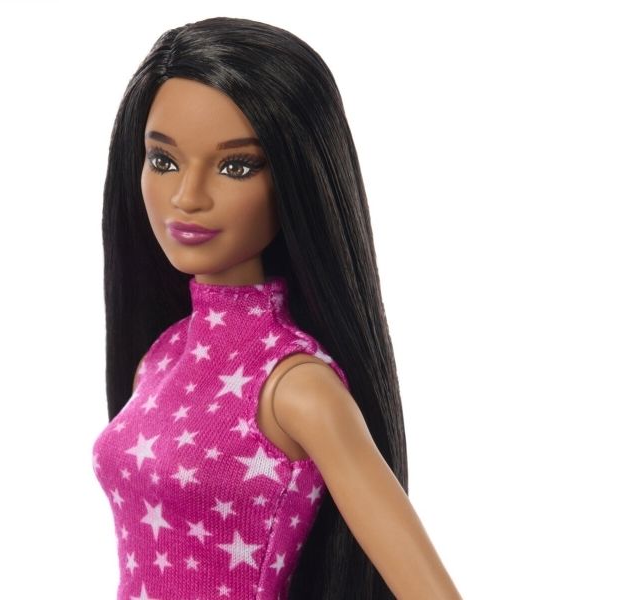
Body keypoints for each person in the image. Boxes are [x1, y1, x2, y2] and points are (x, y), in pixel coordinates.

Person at [93, 16, 462, 600]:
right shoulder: (160, 357)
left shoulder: (295, 387)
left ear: (297, 177)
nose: (187, 196)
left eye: (236, 166)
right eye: (163, 160)